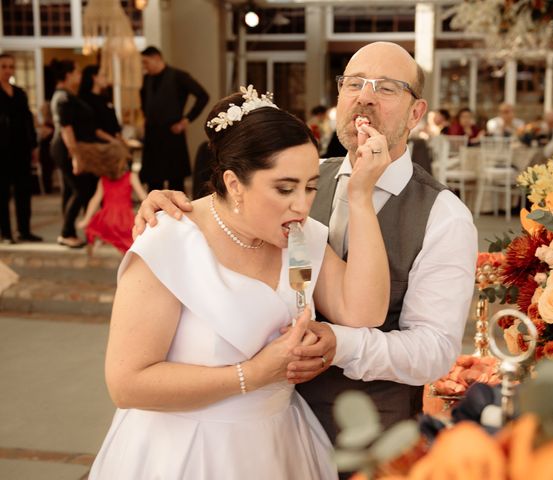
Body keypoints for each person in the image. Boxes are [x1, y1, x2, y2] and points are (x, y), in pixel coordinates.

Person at [135, 42, 477, 447]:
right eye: (354, 83)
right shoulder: (304, 175)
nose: (365, 96)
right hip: (267, 423)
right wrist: (182, 211)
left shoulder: (444, 215)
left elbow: (434, 350)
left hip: (369, 435)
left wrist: (341, 345)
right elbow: (233, 211)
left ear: (416, 113)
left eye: (386, 88)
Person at [89, 86, 392, 479]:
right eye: (284, 189)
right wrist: (253, 374)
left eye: (310, 187)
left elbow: (364, 311)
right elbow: (126, 383)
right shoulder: (170, 241)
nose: (301, 205)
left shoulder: (304, 236)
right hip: (186, 453)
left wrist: (362, 195)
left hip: (280, 446)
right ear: (234, 183)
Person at [139, 46, 209, 193]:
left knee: (175, 182)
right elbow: (144, 102)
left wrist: (186, 120)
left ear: (157, 58)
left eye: (146, 62)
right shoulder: (146, 79)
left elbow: (203, 96)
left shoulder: (179, 76)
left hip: (172, 133)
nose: (144, 66)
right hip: (152, 135)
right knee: (153, 183)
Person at [49, 59, 100, 248]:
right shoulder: (62, 97)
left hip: (68, 148)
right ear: (69, 75)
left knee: (72, 190)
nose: (80, 76)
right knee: (81, 190)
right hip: (65, 149)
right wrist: (76, 155)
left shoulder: (66, 95)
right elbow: (66, 128)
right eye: (77, 72)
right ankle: (66, 233)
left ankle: (68, 232)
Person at [0, 53, 42, 244]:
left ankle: (24, 231)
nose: (8, 70)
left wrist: (33, 145)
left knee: (23, 192)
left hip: (21, 149)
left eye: (10, 66)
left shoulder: (20, 93)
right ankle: (6, 233)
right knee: (3, 193)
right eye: (3, 66)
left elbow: (28, 121)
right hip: (2, 151)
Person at [77, 157, 147, 255]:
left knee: (94, 232)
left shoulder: (103, 180)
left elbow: (95, 201)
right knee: (129, 244)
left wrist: (86, 219)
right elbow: (143, 196)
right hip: (124, 220)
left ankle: (96, 248)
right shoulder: (131, 176)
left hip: (105, 219)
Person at [79, 65, 122, 139]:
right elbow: (94, 128)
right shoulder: (85, 100)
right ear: (94, 78)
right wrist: (113, 141)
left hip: (113, 140)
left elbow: (113, 122)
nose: (106, 79)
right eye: (103, 75)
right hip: (99, 142)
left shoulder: (105, 98)